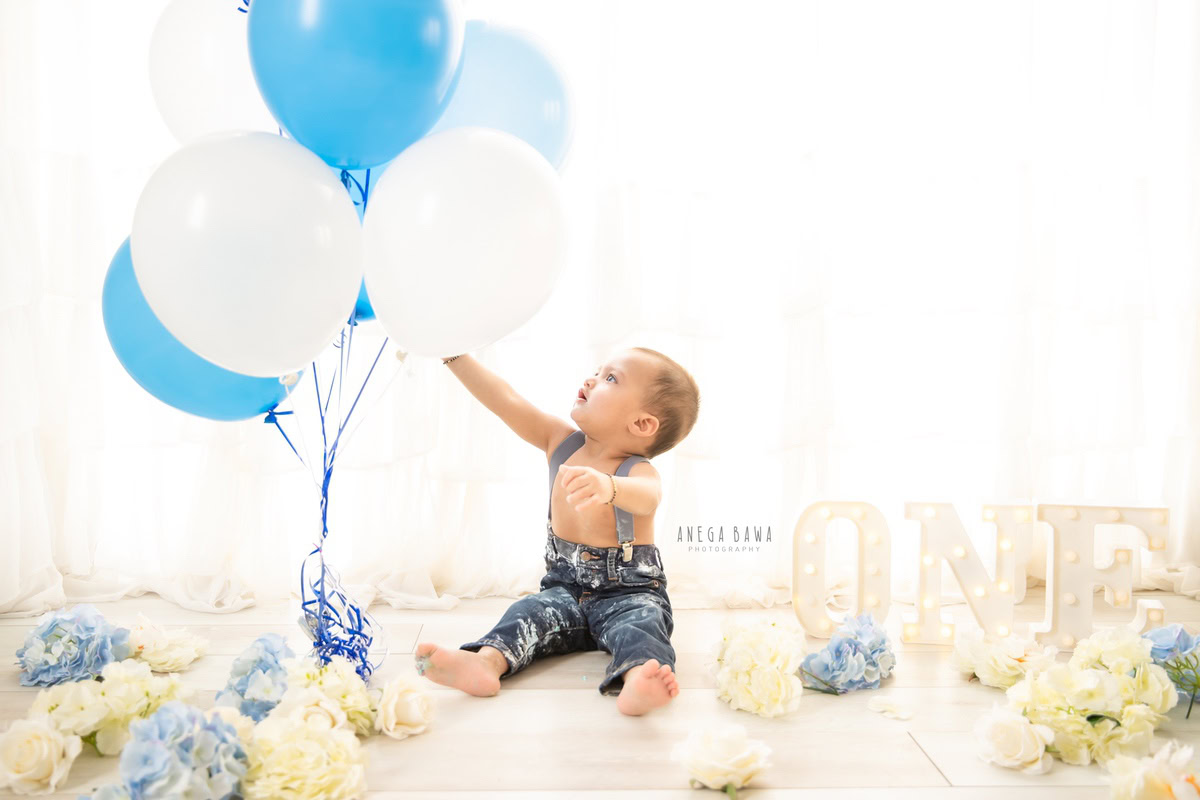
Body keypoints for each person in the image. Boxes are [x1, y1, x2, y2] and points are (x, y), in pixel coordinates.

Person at [413, 347, 700, 715]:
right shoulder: (560, 443)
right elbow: (506, 400)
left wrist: (609, 487)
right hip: (564, 590)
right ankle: (485, 663)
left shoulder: (636, 471)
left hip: (629, 594)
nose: (591, 379)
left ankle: (638, 678)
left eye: (610, 378)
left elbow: (649, 498)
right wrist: (452, 355)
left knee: (642, 625)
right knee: (526, 613)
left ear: (642, 424)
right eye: (598, 371)